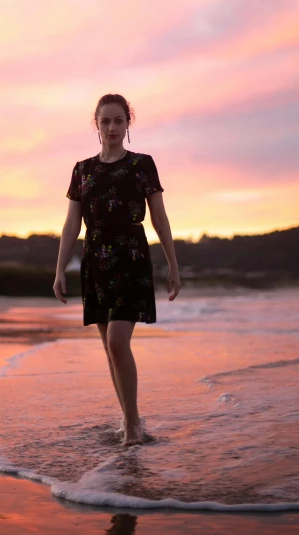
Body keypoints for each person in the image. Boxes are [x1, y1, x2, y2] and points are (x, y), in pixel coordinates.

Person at [53, 93, 181, 446]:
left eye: (118, 121)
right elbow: (71, 225)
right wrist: (60, 269)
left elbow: (159, 217)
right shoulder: (82, 170)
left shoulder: (142, 165)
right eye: (105, 121)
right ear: (96, 124)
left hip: (131, 259)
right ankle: (130, 421)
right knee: (111, 348)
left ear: (128, 124)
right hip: (95, 263)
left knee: (117, 341)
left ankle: (132, 423)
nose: (112, 127)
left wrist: (173, 264)